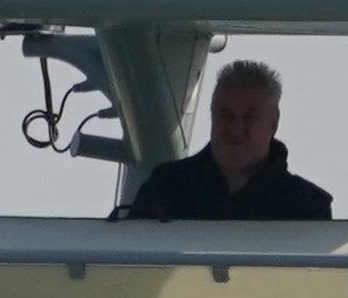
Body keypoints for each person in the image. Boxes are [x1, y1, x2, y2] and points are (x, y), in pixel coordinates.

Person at [114, 58, 329, 220]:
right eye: (226, 115)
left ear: (274, 123)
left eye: (249, 117)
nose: (235, 128)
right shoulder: (165, 187)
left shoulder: (307, 206)